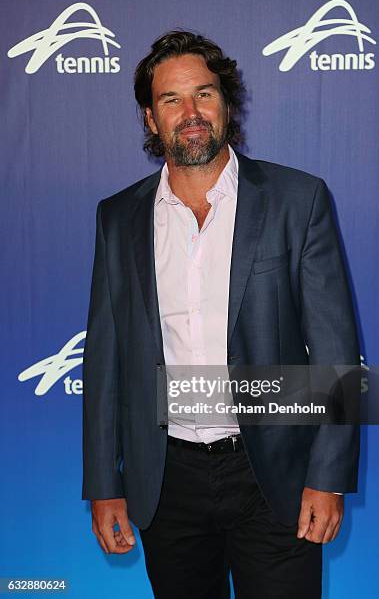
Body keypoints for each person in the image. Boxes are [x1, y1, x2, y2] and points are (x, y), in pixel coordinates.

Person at [82, 31, 360, 598]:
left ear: (225, 103)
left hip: (274, 475)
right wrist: (103, 484)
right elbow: (105, 360)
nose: (191, 113)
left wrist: (327, 476)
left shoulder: (297, 200)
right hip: (166, 479)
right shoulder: (118, 218)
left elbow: (335, 349)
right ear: (150, 119)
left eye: (204, 94)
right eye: (171, 100)